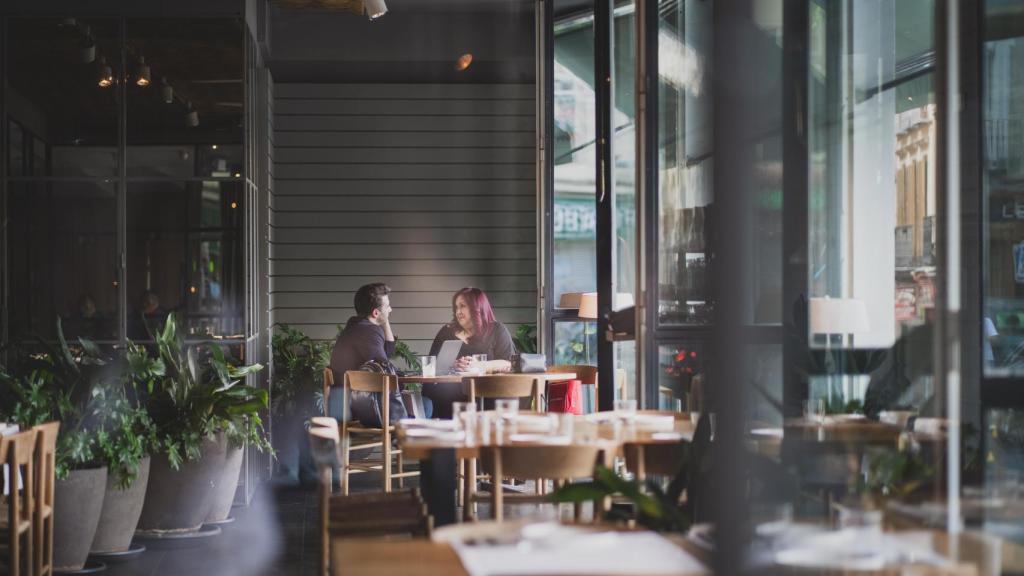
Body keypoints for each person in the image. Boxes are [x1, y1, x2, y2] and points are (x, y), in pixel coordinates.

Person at [424, 287, 516, 418]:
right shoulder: (447, 331)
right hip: (450, 395)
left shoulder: (497, 330)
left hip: (487, 394)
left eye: (462, 306)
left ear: (477, 307)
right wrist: (453, 365)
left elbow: (508, 363)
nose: (458, 312)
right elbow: (430, 366)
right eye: (456, 307)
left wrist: (480, 365)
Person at [328, 282, 396, 421]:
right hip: (357, 405)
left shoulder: (355, 326)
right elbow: (384, 368)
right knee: (425, 405)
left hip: (341, 400)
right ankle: (396, 441)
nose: (391, 309)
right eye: (388, 306)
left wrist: (384, 320)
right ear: (375, 312)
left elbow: (388, 352)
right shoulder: (370, 331)